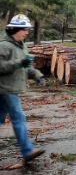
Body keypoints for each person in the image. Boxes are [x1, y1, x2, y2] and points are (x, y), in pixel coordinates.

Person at [0, 14, 45, 164]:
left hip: (10, 90)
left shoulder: (21, 44)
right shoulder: (3, 45)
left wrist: (38, 75)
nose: (27, 32)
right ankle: (27, 151)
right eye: (24, 30)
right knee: (19, 118)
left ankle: (27, 151)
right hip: (5, 89)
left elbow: (27, 66)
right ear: (15, 30)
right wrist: (19, 62)